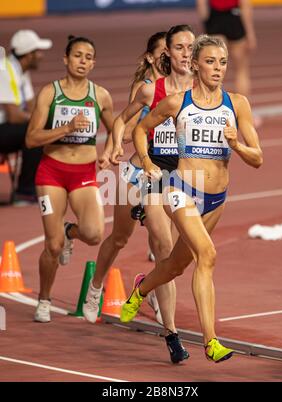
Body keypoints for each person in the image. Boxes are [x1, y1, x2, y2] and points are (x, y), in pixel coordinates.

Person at [121, 34, 263, 363]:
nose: (218, 68)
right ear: (196, 65)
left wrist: (237, 145)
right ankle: (211, 342)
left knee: (174, 266)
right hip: (181, 189)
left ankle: (141, 289)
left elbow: (258, 158)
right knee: (208, 256)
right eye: (211, 61)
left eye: (223, 62)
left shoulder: (237, 104)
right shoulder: (177, 103)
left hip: (216, 199)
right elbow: (139, 131)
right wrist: (146, 161)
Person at [83, 25, 195, 364]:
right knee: (119, 238)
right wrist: (115, 144)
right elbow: (124, 124)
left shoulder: (195, 89)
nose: (175, 56)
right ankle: (96, 287)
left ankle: (171, 333)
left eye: (179, 50)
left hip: (167, 176)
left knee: (165, 248)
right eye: (168, 51)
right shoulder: (146, 88)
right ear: (157, 56)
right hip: (134, 173)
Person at [25, 35, 114, 323]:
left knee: (94, 234)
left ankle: (69, 232)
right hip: (51, 172)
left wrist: (109, 152)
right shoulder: (50, 94)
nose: (83, 61)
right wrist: (65, 128)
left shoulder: (99, 95)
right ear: (66, 59)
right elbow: (31, 138)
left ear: (93, 63)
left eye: (88, 57)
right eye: (78, 55)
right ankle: (44, 300)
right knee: (52, 246)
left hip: (84, 174)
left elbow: (116, 129)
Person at [0, 30, 52, 204]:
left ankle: (32, 186)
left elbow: (32, 107)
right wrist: (42, 123)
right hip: (3, 126)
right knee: (35, 133)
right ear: (28, 55)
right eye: (38, 51)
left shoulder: (20, 70)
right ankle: (24, 191)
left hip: (5, 127)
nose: (42, 55)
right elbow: (14, 116)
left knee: (41, 128)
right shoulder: (4, 71)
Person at [197, 0, 256, 99]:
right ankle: (242, 110)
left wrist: (206, 26)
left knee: (213, 71)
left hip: (215, 20)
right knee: (241, 70)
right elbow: (245, 5)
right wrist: (250, 34)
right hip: (234, 19)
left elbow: (201, 4)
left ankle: (213, 109)